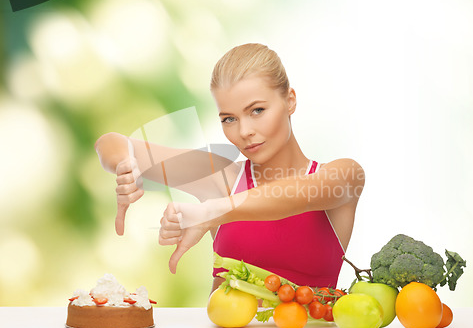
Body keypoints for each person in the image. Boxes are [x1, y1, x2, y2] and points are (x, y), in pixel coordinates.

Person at [95, 43, 365, 293]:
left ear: (290, 100)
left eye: (257, 110)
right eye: (229, 119)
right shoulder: (220, 178)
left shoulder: (343, 176)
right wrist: (126, 166)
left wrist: (211, 211)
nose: (244, 131)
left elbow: (296, 195)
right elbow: (111, 143)